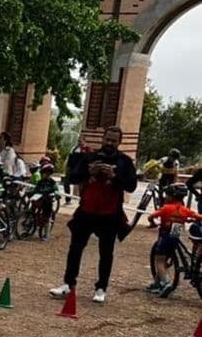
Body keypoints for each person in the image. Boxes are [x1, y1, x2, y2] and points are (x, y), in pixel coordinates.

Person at [49, 126, 138, 304]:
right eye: (107, 139)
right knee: (75, 249)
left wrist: (114, 176)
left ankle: (101, 288)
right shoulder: (89, 157)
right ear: (102, 139)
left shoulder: (125, 162)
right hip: (86, 211)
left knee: (106, 253)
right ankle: (68, 284)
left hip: (110, 214)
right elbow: (72, 177)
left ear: (119, 142)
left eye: (114, 141)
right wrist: (88, 172)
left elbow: (131, 186)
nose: (109, 143)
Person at [144, 184, 202, 296]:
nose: (165, 197)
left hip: (165, 236)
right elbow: (197, 216)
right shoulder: (185, 210)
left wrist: (152, 223)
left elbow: (151, 216)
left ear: (171, 197)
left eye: (167, 195)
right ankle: (157, 283)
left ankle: (166, 283)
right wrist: (186, 219)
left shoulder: (166, 208)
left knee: (159, 261)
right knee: (165, 259)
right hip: (175, 237)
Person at [30, 161, 61, 240]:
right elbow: (35, 189)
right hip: (39, 200)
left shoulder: (52, 183)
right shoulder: (40, 182)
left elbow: (56, 190)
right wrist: (30, 192)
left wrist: (56, 194)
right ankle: (31, 222)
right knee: (32, 208)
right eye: (44, 173)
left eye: (47, 173)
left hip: (47, 201)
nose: (45, 175)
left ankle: (46, 234)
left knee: (47, 217)